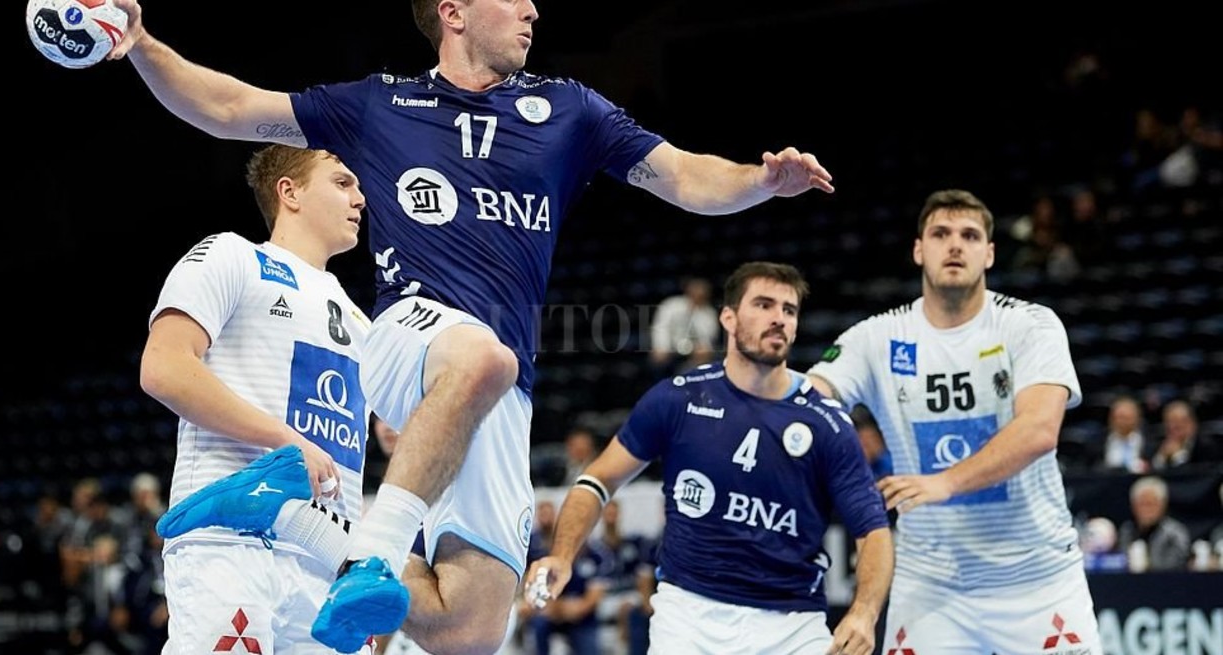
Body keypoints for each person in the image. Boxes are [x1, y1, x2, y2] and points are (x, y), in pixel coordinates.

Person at [109, 0, 835, 652]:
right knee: (483, 357)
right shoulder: (379, 104)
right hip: (409, 333)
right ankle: (372, 552)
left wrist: (759, 181)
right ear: (454, 13)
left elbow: (682, 176)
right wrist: (143, 43)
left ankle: (297, 520)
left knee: (470, 628)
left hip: (496, 384)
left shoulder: (569, 109)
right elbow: (230, 106)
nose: (533, 10)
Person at [525, 262, 894, 655]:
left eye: (789, 310)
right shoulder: (679, 399)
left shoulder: (827, 422)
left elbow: (873, 531)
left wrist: (863, 613)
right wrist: (562, 556)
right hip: (688, 616)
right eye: (764, 305)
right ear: (728, 318)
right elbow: (597, 480)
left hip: (792, 623)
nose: (779, 319)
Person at [807, 189, 1105, 654]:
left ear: (988, 253)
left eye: (969, 235)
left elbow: (1039, 430)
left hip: (1037, 577)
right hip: (931, 584)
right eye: (940, 234)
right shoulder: (877, 337)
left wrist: (943, 482)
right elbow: (808, 407)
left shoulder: (1030, 325)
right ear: (918, 249)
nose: (955, 245)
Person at [143, 145, 376, 655]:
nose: (361, 197)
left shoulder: (364, 322)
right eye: (342, 182)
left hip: (325, 562)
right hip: (232, 541)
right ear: (288, 192)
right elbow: (164, 368)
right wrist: (285, 439)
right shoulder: (235, 256)